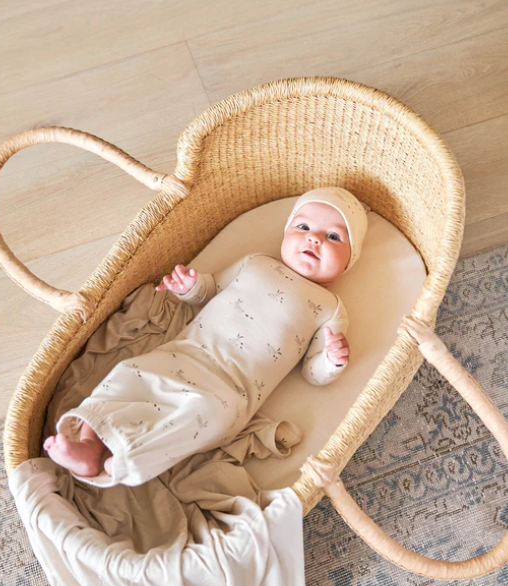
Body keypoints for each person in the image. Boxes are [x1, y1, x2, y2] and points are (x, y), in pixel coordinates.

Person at [43, 187, 368, 486]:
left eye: (334, 236)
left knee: (206, 414)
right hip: (184, 355)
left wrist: (331, 360)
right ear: (286, 232)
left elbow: (313, 372)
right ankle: (89, 436)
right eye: (303, 227)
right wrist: (190, 286)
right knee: (129, 373)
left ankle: (128, 459)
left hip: (230, 391)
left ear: (349, 261)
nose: (314, 239)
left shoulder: (330, 307)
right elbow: (211, 289)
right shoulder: (257, 263)